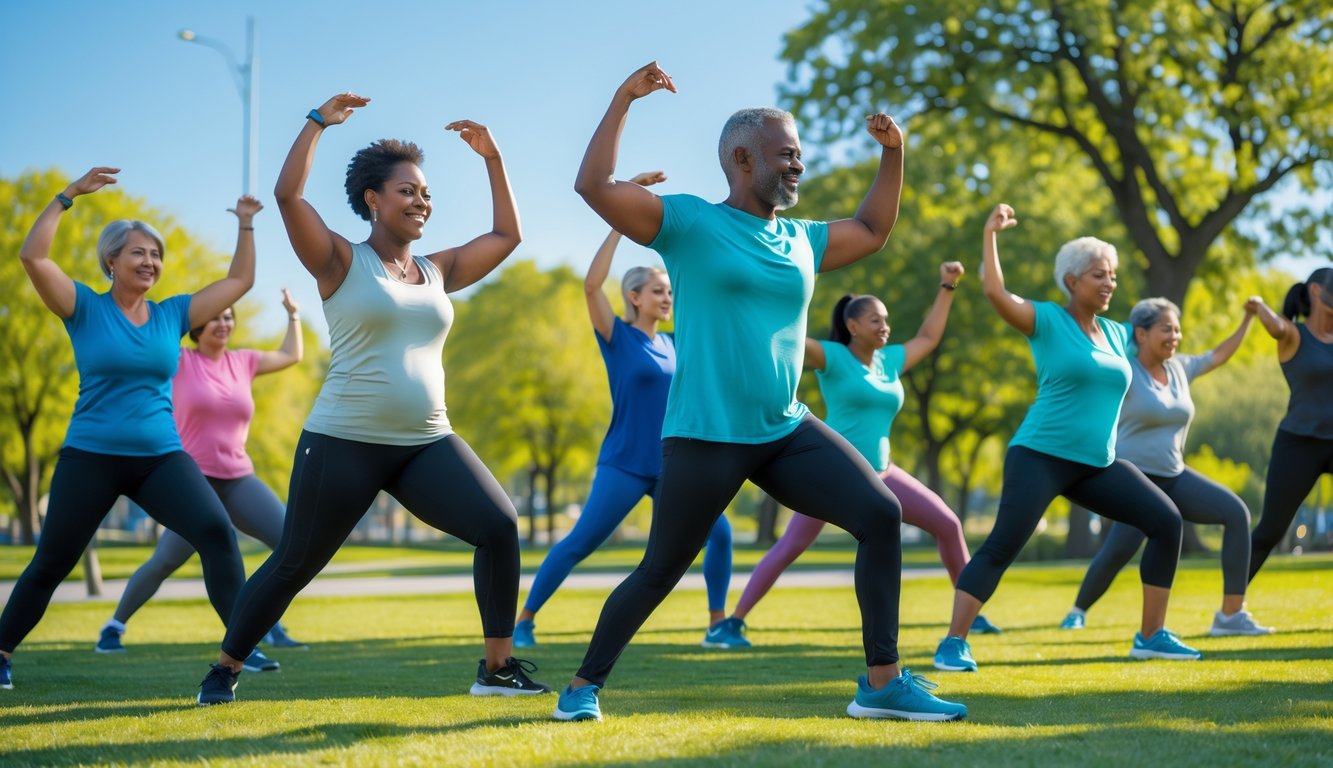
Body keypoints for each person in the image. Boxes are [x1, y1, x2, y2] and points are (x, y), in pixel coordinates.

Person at [553, 61, 966, 723]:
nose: (797, 166)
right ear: (743, 159)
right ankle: (581, 687)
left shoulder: (801, 239)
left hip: (783, 429)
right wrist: (623, 99)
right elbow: (593, 185)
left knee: (879, 515)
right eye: (787, 155)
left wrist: (894, 154)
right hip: (704, 435)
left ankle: (882, 683)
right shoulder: (687, 223)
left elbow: (873, 229)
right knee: (659, 570)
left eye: (799, 155)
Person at [195, 93, 547, 705]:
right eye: (408, 191)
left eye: (426, 193)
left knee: (499, 525)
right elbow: (288, 198)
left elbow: (507, 234)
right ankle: (223, 671)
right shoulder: (339, 261)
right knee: (295, 563)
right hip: (344, 441)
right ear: (373, 200)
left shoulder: (438, 271)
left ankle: (496, 669)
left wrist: (493, 159)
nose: (422, 201)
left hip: (426, 442)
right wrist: (313, 124)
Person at [0, 168, 257, 692]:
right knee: (53, 560)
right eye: (138, 253)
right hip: (90, 455)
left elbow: (238, 284)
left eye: (156, 255)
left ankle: (234, 658)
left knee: (216, 532)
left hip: (161, 457)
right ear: (111, 261)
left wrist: (246, 226)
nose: (150, 262)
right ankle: (1, 651)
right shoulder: (83, 307)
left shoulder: (172, 315)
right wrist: (67, 196)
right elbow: (33, 257)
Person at [932, 203, 1197, 675]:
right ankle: (953, 643)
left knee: (1166, 521)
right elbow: (995, 292)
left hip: (1097, 463)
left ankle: (1151, 635)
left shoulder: (1119, 335)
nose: (1109, 283)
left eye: (1112, 275)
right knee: (1002, 546)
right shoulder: (1048, 321)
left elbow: (1166, 346)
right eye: (1099, 275)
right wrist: (990, 233)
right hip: (1040, 455)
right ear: (1072, 280)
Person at [515, 172, 738, 651]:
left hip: (672, 465)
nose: (667, 297)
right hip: (624, 462)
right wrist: (620, 218)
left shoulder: (680, 343)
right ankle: (525, 620)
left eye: (669, 292)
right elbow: (592, 285)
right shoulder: (618, 337)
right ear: (635, 297)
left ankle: (718, 624)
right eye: (658, 290)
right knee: (580, 543)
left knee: (719, 534)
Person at [721, 265, 1003, 639]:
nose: (885, 326)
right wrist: (753, 302)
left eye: (885, 320)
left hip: (883, 472)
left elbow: (929, 337)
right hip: (834, 474)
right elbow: (789, 339)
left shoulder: (889, 362)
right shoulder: (834, 358)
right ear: (853, 326)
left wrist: (947, 285)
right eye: (876, 320)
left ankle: (971, 612)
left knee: (949, 525)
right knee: (791, 545)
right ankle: (733, 621)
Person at [96, 290, 310, 667]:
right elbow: (139, 353)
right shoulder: (178, 360)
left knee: (288, 541)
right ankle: (113, 628)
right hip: (193, 481)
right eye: (215, 317)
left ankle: (266, 624)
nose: (224, 323)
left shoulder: (243, 362)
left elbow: (291, 355)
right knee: (164, 561)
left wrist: (293, 316)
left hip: (238, 477)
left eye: (229, 317)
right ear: (196, 328)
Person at [1060, 298, 1271, 635]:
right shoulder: (1123, 370)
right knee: (1119, 549)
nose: (1175, 335)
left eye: (1177, 329)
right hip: (1134, 479)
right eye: (1166, 329)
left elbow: (1218, 355)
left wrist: (1247, 319)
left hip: (1173, 474)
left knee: (1236, 513)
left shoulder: (1180, 368)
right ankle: (1077, 611)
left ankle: (1231, 615)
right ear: (1141, 334)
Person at [1245, 268, 1333, 584]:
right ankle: (1229, 609)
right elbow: (1276, 327)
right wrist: (1258, 306)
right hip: (1299, 443)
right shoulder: (1295, 336)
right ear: (1315, 291)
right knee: (1270, 530)